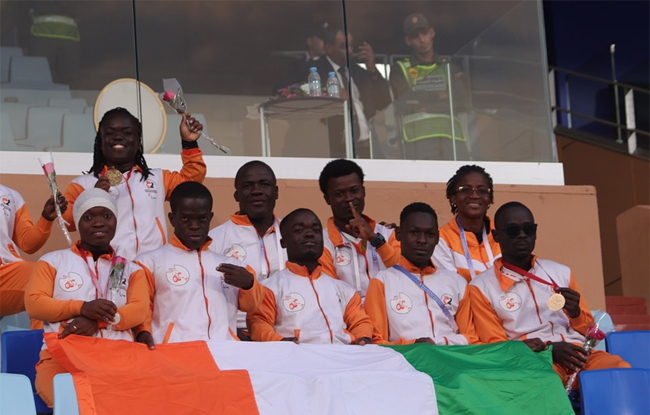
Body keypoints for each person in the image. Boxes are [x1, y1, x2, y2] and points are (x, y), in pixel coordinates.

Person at [467, 202, 630, 387]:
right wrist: (547, 349)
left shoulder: (561, 272)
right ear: (496, 235)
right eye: (513, 230)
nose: (522, 235)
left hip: (579, 354)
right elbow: (497, 346)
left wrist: (575, 313)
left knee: (620, 370)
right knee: (545, 381)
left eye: (528, 229)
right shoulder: (481, 287)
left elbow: (588, 331)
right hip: (534, 360)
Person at [25, 188, 149, 408]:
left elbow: (138, 310)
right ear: (78, 223)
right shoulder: (53, 261)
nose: (99, 223)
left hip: (119, 358)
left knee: (131, 405)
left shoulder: (131, 270)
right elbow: (34, 303)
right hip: (62, 358)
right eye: (88, 217)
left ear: (116, 221)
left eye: (107, 215)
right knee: (77, 406)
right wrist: (82, 308)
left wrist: (97, 321)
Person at [62, 107, 206, 260]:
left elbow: (190, 184)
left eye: (127, 133)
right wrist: (93, 197)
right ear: (100, 142)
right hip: (109, 267)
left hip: (153, 266)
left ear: (138, 142)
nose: (118, 137)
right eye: (110, 133)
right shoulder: (83, 184)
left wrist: (189, 143)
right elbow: (68, 223)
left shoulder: (158, 178)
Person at [134, 182, 264, 348]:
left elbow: (251, 306)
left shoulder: (234, 265)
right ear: (172, 219)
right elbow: (143, 308)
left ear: (210, 218)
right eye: (185, 218)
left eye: (202, 218)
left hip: (224, 352)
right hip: (175, 352)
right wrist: (143, 331)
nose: (194, 226)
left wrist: (248, 284)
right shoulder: (148, 262)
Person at [247, 208, 373, 345]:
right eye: (299, 230)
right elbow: (259, 323)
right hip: (295, 355)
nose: (309, 234)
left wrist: (362, 337)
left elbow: (360, 322)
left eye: (316, 230)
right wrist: (281, 342)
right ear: (283, 243)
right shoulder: (268, 288)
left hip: (340, 355)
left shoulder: (345, 290)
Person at [365, 202, 476, 345]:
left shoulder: (457, 282)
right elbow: (377, 341)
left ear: (437, 238)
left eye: (430, 234)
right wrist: (414, 345)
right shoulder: (382, 282)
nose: (422, 240)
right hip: (407, 358)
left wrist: (439, 343)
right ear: (398, 234)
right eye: (414, 233)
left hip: (451, 357)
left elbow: (472, 338)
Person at [208, 161, 286, 339]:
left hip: (287, 332)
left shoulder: (294, 234)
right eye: (247, 186)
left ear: (276, 192)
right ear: (236, 195)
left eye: (264, 184)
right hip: (238, 334)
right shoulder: (215, 239)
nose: (256, 191)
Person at [390, 13, 469, 160]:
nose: (422, 40)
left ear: (432, 33)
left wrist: (422, 102)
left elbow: (463, 101)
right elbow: (402, 103)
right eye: (415, 36)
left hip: (452, 139)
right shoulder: (400, 68)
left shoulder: (449, 66)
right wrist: (439, 96)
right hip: (418, 141)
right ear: (408, 40)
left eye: (425, 33)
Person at [318, 159, 399, 300]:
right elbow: (331, 296)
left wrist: (376, 241)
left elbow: (407, 276)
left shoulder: (388, 234)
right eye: (339, 194)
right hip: (349, 314)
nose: (349, 199)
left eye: (354, 190)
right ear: (327, 199)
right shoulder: (322, 244)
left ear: (364, 191)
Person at [310, 25, 391, 158]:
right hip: (336, 149)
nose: (350, 51)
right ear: (329, 48)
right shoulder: (316, 71)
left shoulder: (358, 71)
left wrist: (372, 69)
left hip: (367, 146)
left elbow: (384, 102)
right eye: (344, 46)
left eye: (351, 45)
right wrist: (331, 93)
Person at [0, 185, 66, 328]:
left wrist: (46, 218)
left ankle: (43, 341)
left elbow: (28, 244)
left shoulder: (9, 195)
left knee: (46, 280)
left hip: (6, 274)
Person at [432, 165, 500, 283]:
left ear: (489, 199)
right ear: (453, 198)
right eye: (466, 189)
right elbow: (451, 286)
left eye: (482, 190)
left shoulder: (503, 234)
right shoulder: (441, 240)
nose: (474, 196)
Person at [273, 22, 328, 94]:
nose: (326, 43)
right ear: (309, 41)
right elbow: (280, 89)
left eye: (328, 40)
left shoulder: (329, 64)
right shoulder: (295, 65)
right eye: (322, 39)